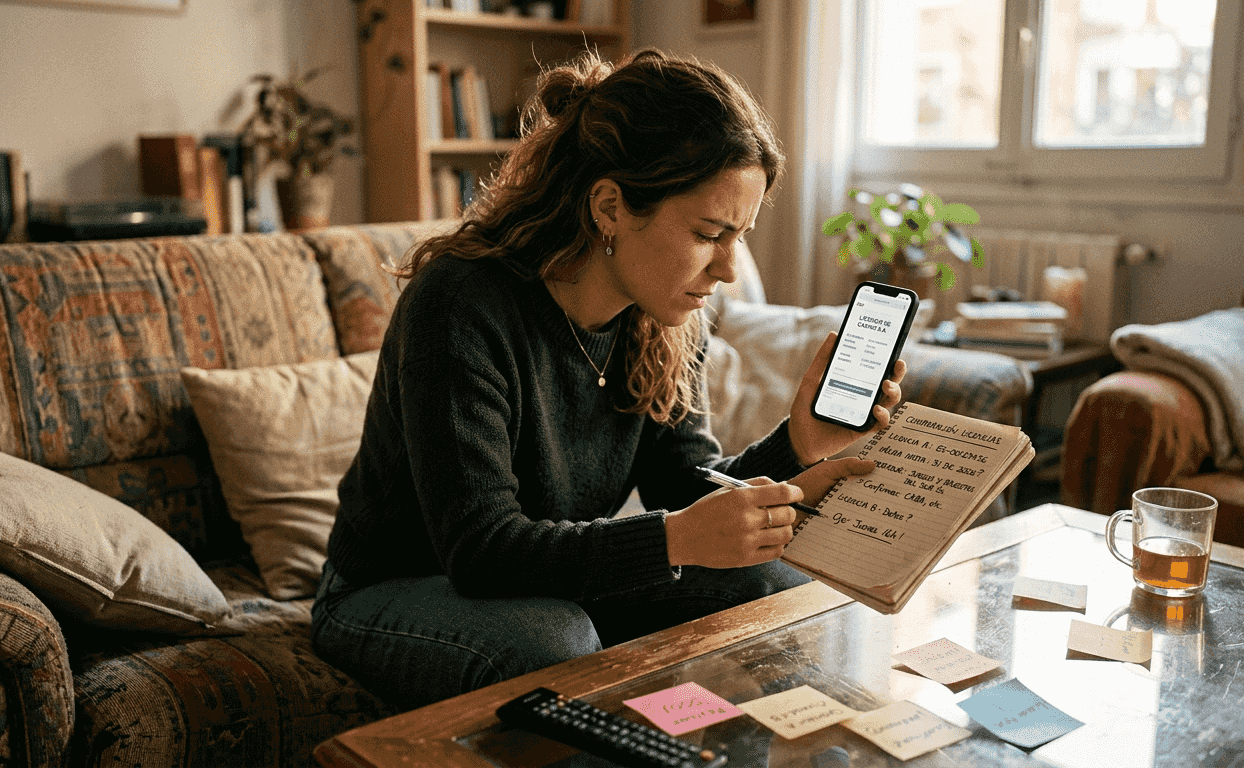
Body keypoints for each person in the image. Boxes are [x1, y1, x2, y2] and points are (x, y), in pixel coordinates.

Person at [310, 48, 907, 712]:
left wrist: (797, 445)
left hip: (544, 579)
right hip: (394, 588)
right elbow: (481, 550)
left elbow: (684, 484)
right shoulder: (461, 303)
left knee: (777, 577)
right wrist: (675, 538)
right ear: (610, 207)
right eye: (710, 233)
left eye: (739, 235)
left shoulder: (666, 317)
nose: (729, 270)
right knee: (554, 640)